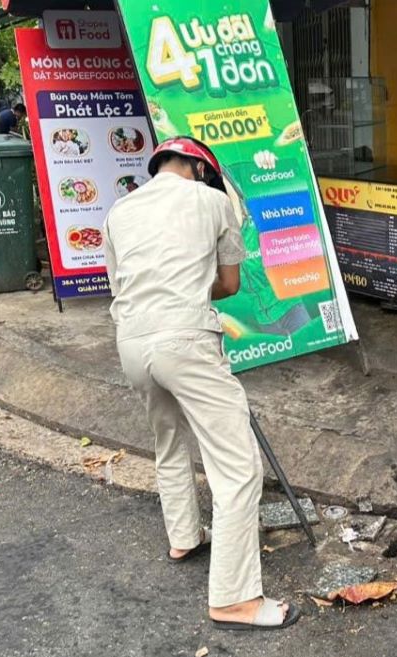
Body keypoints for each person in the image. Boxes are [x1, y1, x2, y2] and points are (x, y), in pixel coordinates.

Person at [103, 136, 300, 630]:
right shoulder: (213, 201)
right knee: (237, 467)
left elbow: (121, 284)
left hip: (132, 341)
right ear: (198, 168)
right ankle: (234, 599)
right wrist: (191, 284)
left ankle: (184, 537)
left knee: (168, 441)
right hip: (185, 339)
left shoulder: (119, 211)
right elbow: (229, 284)